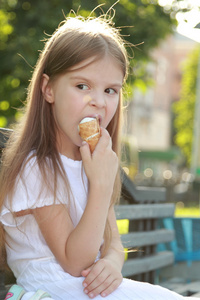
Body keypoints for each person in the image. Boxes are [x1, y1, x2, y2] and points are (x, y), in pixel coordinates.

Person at [0, 10, 197, 300]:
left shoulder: (92, 163)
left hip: (88, 289)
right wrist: (101, 186)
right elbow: (74, 262)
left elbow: (113, 244)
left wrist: (112, 263)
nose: (99, 102)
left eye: (110, 90)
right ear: (48, 88)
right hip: (53, 290)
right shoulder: (37, 167)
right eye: (82, 86)